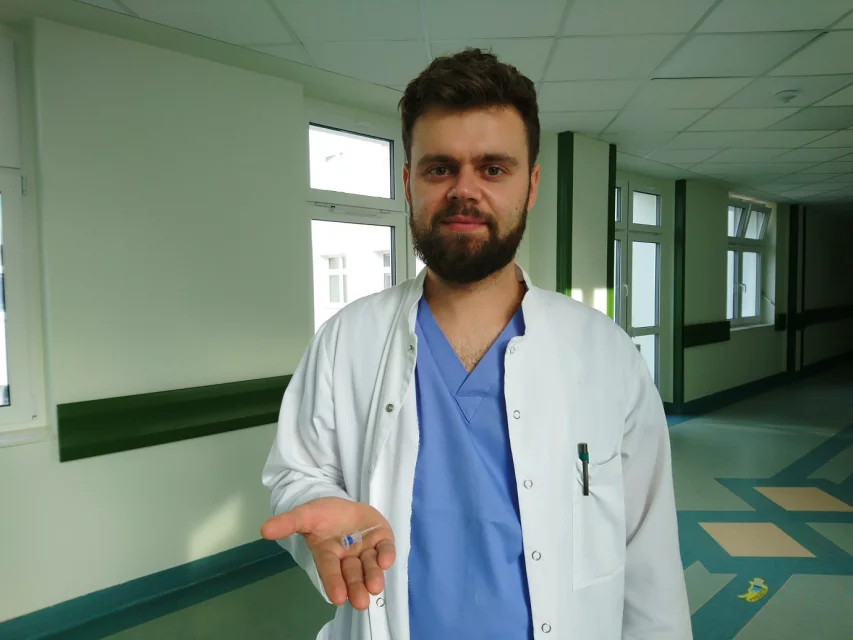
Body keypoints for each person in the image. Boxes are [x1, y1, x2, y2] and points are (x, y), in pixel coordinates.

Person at [261, 48, 692, 640]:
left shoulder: (606, 355)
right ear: (408, 183)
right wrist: (322, 511)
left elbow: (649, 561)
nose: (464, 191)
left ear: (531, 185)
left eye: (492, 169)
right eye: (440, 169)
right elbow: (298, 472)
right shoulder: (347, 341)